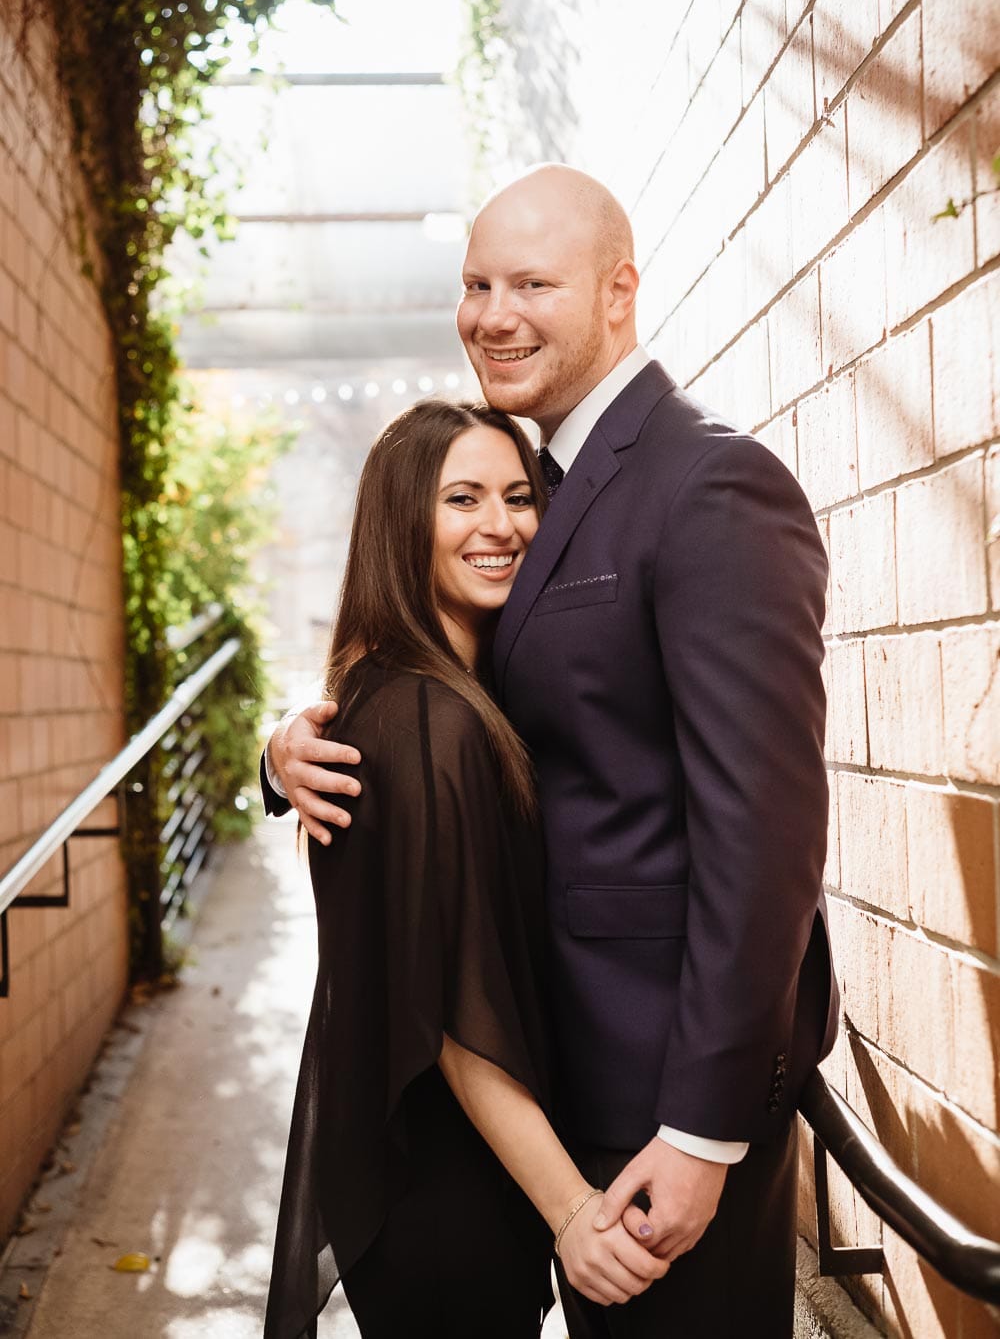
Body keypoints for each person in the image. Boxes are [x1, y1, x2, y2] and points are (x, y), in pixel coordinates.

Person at [263, 165, 839, 1337]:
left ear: (619, 293)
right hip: (545, 1088)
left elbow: (763, 834)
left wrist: (701, 1128)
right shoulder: (545, 484)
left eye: (533, 282)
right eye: (476, 283)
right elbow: (454, 695)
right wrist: (291, 749)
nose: (493, 313)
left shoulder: (705, 485)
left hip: (662, 1105)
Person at [263, 399, 669, 1339]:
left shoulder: (437, 695)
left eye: (520, 496)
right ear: (403, 522)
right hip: (440, 1179)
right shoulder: (422, 719)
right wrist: (573, 1213)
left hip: (444, 1167)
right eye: (463, 499)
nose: (502, 525)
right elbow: (449, 1011)